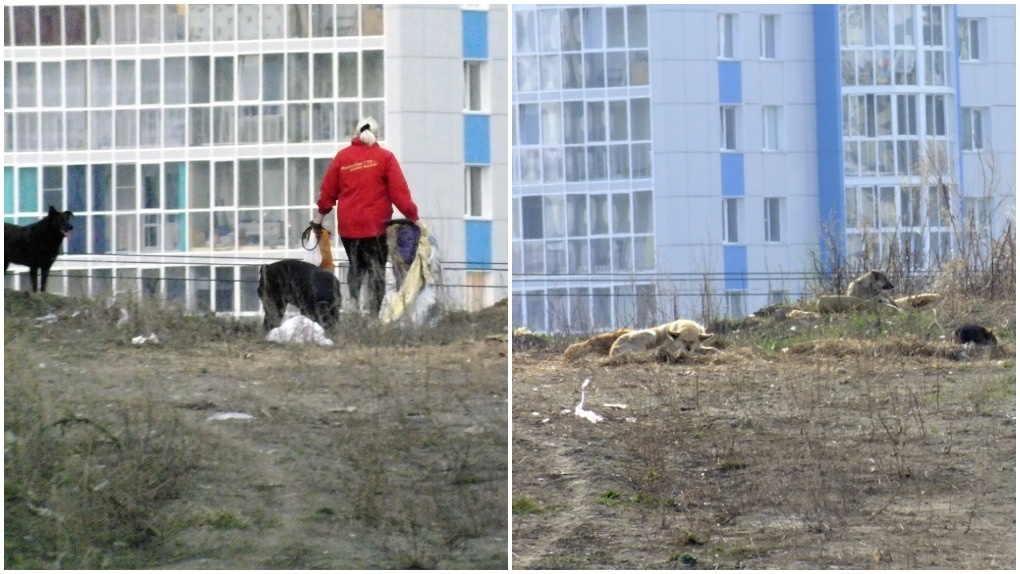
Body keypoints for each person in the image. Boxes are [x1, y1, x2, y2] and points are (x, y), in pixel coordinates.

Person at [312, 116, 420, 316]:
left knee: (356, 267)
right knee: (376, 269)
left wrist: (318, 219)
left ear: (356, 133)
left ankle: (353, 308)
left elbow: (327, 192)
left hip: (349, 228)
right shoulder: (385, 158)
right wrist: (413, 217)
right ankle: (373, 314)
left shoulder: (342, 158)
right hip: (376, 227)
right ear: (376, 135)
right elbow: (399, 193)